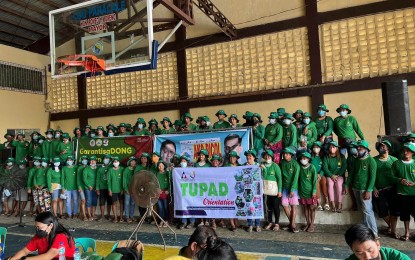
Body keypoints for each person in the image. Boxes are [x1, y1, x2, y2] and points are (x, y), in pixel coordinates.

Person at [344, 140, 378, 237]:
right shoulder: (356, 160)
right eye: (358, 147)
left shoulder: (371, 161)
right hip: (356, 188)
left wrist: (368, 190)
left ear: (366, 149)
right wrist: (346, 185)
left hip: (365, 189)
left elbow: (372, 178)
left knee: (367, 211)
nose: (358, 149)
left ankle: (374, 233)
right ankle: (366, 231)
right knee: (362, 210)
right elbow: (351, 174)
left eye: (361, 148)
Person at [10, 211, 75, 260]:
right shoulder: (39, 237)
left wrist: (25, 259)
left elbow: (48, 256)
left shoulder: (61, 236)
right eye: (36, 227)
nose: (37, 230)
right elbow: (25, 251)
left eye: (40, 227)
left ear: (51, 226)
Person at [372, 140, 399, 239]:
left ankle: (392, 231)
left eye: (383, 146)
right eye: (380, 146)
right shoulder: (373, 160)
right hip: (379, 189)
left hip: (392, 189)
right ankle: (392, 228)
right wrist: (373, 188)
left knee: (393, 211)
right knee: (382, 211)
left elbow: (398, 175)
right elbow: (371, 176)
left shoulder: (394, 160)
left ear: (388, 148)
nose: (381, 148)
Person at [391, 142, 415, 242]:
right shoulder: (396, 163)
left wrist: (414, 183)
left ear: (412, 152)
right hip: (402, 194)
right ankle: (407, 233)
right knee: (405, 215)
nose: (405, 152)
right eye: (404, 150)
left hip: (414, 193)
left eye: (408, 150)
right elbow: (391, 177)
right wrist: (400, 180)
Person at [344, 224, 410, 260]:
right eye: (360, 253)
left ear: (378, 244)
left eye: (370, 250)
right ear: (353, 251)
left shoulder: (399, 258)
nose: (367, 257)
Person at [260, 150, 282, 232]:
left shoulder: (275, 166)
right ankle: (270, 222)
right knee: (268, 208)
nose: (267, 157)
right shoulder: (262, 166)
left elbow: (279, 179)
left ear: (272, 157)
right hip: (265, 191)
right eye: (266, 156)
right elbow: (262, 177)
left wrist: (279, 191)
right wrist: (263, 169)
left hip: (274, 191)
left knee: (276, 207)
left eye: (269, 156)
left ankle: (276, 223)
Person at [322, 141, 346, 213]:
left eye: (334, 147)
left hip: (339, 175)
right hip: (330, 175)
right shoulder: (326, 157)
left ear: (337, 148)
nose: (332, 148)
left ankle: (339, 205)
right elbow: (325, 168)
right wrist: (331, 175)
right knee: (330, 184)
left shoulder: (341, 157)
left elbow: (344, 167)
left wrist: (337, 175)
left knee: (339, 185)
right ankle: (333, 205)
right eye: (331, 147)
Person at [280, 147, 300, 233]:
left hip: (293, 187)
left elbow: (295, 179)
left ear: (291, 155)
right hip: (284, 187)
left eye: (287, 154)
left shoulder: (296, 164)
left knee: (293, 206)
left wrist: (292, 190)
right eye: (284, 153)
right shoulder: (282, 163)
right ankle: (292, 224)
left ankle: (291, 225)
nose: (285, 155)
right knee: (284, 205)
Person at [297, 152, 317, 232]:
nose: (303, 160)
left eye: (305, 158)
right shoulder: (300, 168)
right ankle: (308, 223)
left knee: (312, 208)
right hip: (302, 192)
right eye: (302, 158)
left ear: (308, 159)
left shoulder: (312, 167)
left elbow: (314, 181)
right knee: (305, 207)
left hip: (310, 192)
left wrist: (314, 191)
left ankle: (312, 224)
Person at [244, 149, 261, 232]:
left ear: (254, 157)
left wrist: (263, 169)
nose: (248, 157)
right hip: (247, 189)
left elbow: (264, 175)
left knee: (256, 206)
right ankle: (250, 224)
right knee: (248, 207)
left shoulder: (259, 165)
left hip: (256, 189)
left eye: (250, 156)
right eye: (247, 155)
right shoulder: (243, 166)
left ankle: (257, 225)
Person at [178, 155, 196, 229]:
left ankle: (192, 222)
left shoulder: (191, 170)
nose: (183, 163)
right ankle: (184, 222)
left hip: (190, 192)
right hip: (181, 192)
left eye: (184, 161)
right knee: (183, 206)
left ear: (187, 162)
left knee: (190, 206)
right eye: (182, 161)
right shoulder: (177, 170)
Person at [311, 141, 328, 211]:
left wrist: (320, 174)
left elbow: (324, 168)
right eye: (314, 147)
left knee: (324, 181)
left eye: (317, 147)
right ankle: (318, 204)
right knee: (316, 183)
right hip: (314, 175)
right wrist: (316, 175)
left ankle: (327, 202)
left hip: (321, 174)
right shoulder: (310, 158)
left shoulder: (322, 158)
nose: (316, 148)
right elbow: (310, 168)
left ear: (320, 148)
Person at [108, 156, 125, 223]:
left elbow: (124, 180)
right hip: (113, 190)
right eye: (114, 161)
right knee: (114, 203)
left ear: (119, 162)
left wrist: (122, 189)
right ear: (113, 163)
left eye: (117, 161)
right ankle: (115, 217)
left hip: (120, 190)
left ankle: (121, 217)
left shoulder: (122, 169)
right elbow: (108, 181)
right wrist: (109, 190)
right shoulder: (110, 170)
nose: (116, 163)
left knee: (121, 203)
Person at [96, 154, 113, 221]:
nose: (106, 159)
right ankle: (102, 216)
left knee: (109, 202)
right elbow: (97, 179)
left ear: (110, 160)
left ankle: (108, 215)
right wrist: (97, 188)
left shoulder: (111, 168)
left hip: (110, 188)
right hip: (102, 188)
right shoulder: (100, 168)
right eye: (105, 158)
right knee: (102, 202)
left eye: (108, 158)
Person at [83, 155, 98, 221]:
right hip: (88, 188)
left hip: (96, 188)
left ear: (96, 161)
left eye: (94, 160)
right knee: (89, 201)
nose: (92, 162)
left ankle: (93, 214)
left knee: (94, 201)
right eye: (91, 160)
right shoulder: (86, 169)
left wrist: (97, 187)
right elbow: (84, 179)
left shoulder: (97, 169)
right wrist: (89, 186)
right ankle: (89, 215)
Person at [156, 160, 170, 227]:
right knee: (160, 207)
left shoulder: (167, 173)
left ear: (164, 166)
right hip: (158, 193)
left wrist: (168, 190)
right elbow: (155, 183)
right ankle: (161, 220)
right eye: (159, 166)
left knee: (165, 207)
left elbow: (170, 183)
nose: (160, 167)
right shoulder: (157, 174)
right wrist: (157, 190)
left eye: (161, 165)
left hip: (165, 193)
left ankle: (166, 221)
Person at [123, 156, 137, 223]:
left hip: (134, 189)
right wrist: (125, 189)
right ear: (129, 162)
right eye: (132, 161)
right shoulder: (126, 170)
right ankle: (127, 217)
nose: (133, 162)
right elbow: (124, 180)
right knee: (127, 203)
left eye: (134, 161)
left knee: (133, 203)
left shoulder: (136, 169)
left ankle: (131, 216)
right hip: (127, 189)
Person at [77, 155, 88, 221]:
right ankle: (84, 215)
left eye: (85, 159)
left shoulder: (89, 167)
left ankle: (81, 213)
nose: (84, 161)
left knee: (85, 201)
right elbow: (78, 178)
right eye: (83, 159)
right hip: (81, 187)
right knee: (83, 200)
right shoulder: (79, 168)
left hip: (87, 187)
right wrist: (79, 186)